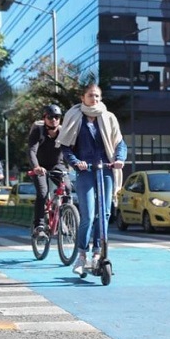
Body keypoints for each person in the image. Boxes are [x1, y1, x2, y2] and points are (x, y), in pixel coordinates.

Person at [56, 84, 127, 275]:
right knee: (88, 214)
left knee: (104, 214)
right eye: (90, 96)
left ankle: (98, 252)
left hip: (105, 168)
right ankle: (81, 255)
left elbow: (120, 143)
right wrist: (76, 162)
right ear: (83, 98)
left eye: (97, 96)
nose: (94, 99)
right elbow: (65, 146)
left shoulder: (108, 117)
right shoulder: (75, 117)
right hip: (85, 170)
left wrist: (119, 159)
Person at [28, 104, 71, 238]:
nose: (54, 120)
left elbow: (70, 150)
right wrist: (36, 167)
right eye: (50, 117)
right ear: (45, 118)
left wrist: (77, 164)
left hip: (57, 165)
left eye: (57, 117)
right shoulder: (38, 131)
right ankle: (39, 225)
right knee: (42, 192)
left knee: (68, 188)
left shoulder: (64, 132)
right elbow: (31, 151)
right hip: (40, 167)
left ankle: (63, 218)